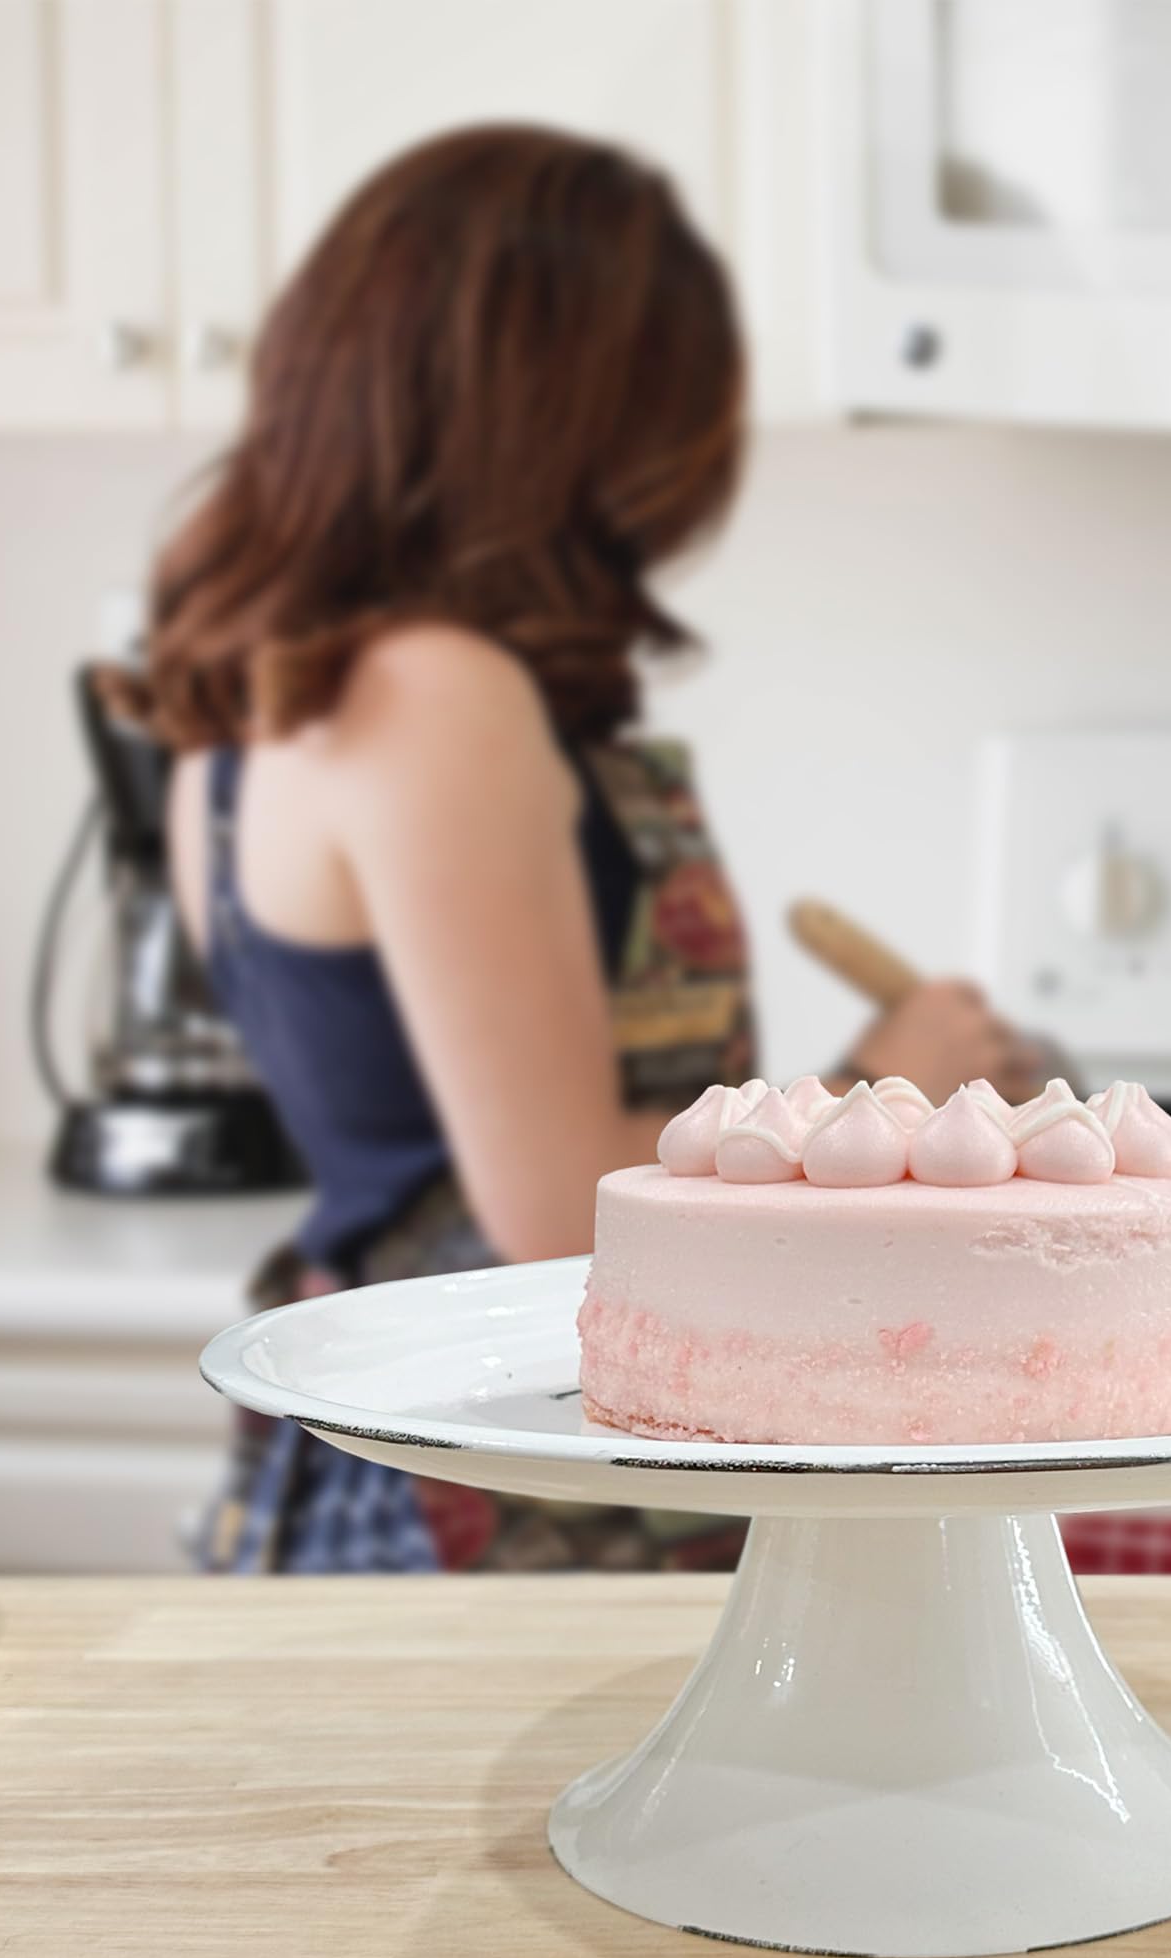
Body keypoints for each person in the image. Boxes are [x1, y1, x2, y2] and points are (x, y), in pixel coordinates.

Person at [114, 125, 1037, 1572]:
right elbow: (562, 1218)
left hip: (397, 1445)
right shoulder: (435, 695)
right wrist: (892, 1083)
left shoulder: (252, 705)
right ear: (564, 413)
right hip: (513, 1486)